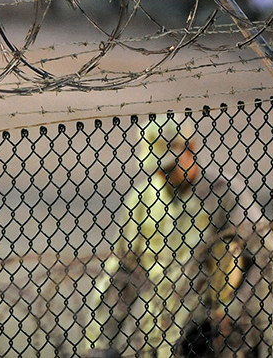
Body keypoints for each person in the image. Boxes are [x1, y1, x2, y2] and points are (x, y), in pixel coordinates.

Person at [83, 114, 263, 358]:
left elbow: (260, 258)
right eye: (155, 167)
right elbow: (121, 273)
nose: (161, 174)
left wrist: (231, 310)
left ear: (191, 148)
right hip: (158, 333)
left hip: (215, 334)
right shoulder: (142, 200)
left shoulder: (224, 194)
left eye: (168, 166)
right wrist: (101, 341)